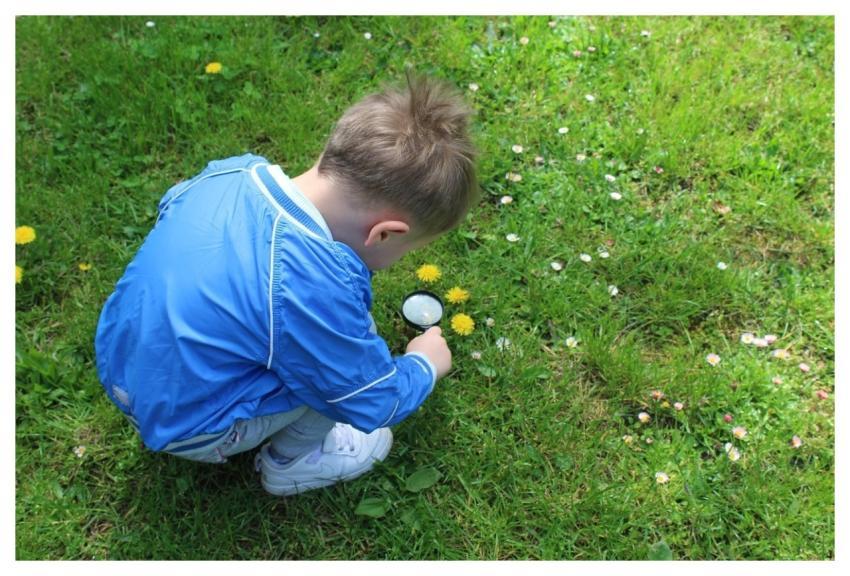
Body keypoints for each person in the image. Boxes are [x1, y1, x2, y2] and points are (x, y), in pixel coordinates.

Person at [94, 73, 478, 496]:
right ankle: (290, 463)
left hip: (122, 365)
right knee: (333, 373)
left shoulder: (233, 172)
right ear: (384, 233)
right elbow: (370, 398)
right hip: (189, 426)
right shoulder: (310, 287)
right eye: (406, 249)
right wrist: (423, 365)